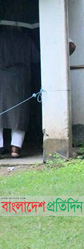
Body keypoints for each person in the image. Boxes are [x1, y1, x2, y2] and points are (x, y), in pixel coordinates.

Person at [0, 25, 39, 158]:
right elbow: (36, 58)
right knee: (19, 114)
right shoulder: (26, 39)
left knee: (0, 112)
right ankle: (15, 148)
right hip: (21, 78)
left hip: (1, 77)